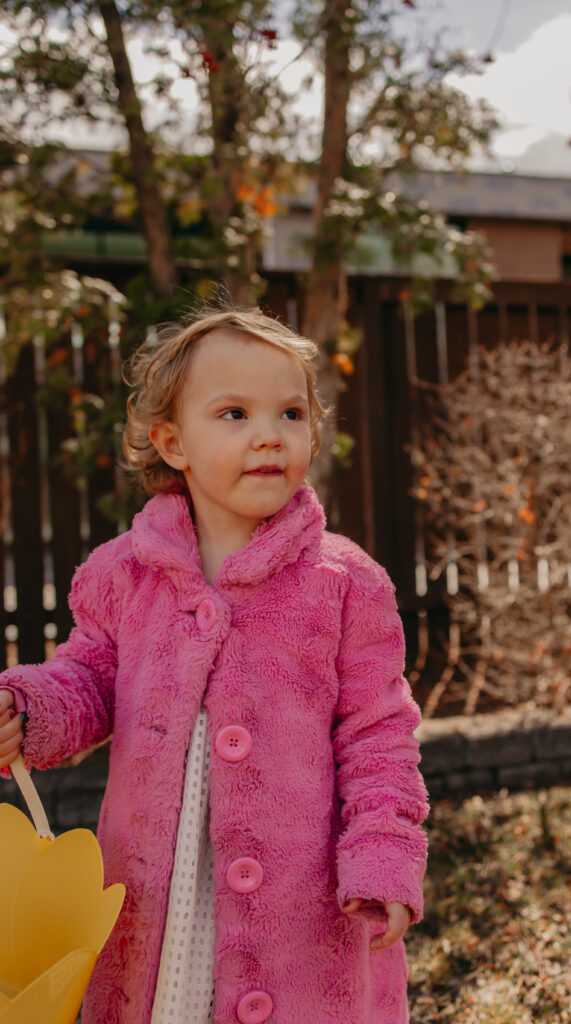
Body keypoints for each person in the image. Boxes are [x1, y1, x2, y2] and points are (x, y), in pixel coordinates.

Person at [0, 302, 428, 1024]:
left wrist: (381, 856)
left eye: (291, 413)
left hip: (300, 914)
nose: (269, 436)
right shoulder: (125, 574)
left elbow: (377, 735)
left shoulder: (345, 583)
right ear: (171, 442)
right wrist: (29, 709)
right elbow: (90, 680)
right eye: (234, 414)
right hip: (157, 904)